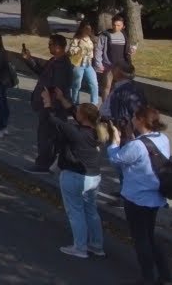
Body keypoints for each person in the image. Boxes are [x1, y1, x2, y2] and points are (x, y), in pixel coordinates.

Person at [39, 88, 108, 260]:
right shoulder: (96, 131)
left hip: (74, 176)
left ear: (82, 117)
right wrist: (62, 98)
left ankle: (80, 247)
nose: (75, 112)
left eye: (78, 112)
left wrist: (47, 101)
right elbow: (75, 112)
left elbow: (51, 119)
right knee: (91, 211)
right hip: (94, 177)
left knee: (75, 212)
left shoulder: (75, 132)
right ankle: (96, 245)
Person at [107, 106, 172, 283]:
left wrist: (115, 141)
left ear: (141, 120)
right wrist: (131, 137)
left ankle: (148, 278)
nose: (132, 119)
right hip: (155, 196)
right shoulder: (162, 138)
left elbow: (116, 159)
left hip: (136, 198)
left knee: (141, 239)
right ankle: (165, 275)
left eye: (135, 117)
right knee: (150, 235)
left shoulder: (136, 145)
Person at [21, 35, 75, 173]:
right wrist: (29, 59)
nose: (48, 47)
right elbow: (42, 72)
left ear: (58, 47)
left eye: (50, 44)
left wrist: (50, 106)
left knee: (46, 136)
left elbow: (57, 88)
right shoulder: (54, 60)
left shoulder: (63, 65)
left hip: (53, 106)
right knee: (50, 135)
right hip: (47, 104)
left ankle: (43, 164)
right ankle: (55, 162)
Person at [67, 23, 99, 106]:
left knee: (94, 83)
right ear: (82, 29)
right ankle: (75, 102)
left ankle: (94, 103)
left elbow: (93, 51)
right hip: (78, 64)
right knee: (77, 84)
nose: (88, 31)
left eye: (89, 29)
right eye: (86, 29)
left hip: (88, 64)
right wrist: (79, 48)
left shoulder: (91, 39)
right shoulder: (77, 39)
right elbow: (71, 51)